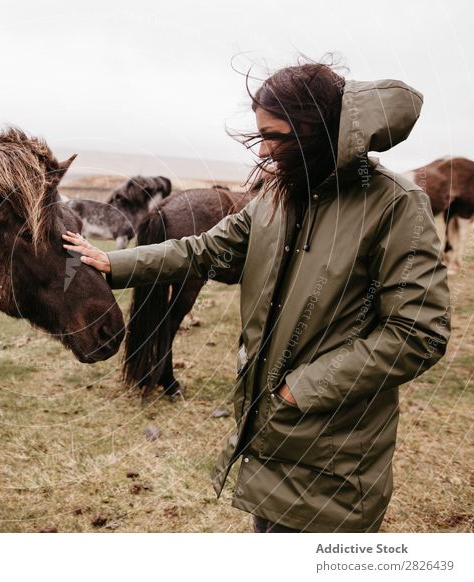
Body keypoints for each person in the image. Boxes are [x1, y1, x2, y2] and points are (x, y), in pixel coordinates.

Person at [63, 62, 451, 533]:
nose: (264, 149)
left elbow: (418, 333)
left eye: (275, 136)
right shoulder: (276, 195)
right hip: (268, 434)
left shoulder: (395, 205)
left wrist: (304, 387)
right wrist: (113, 263)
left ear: (316, 130)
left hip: (333, 448)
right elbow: (203, 248)